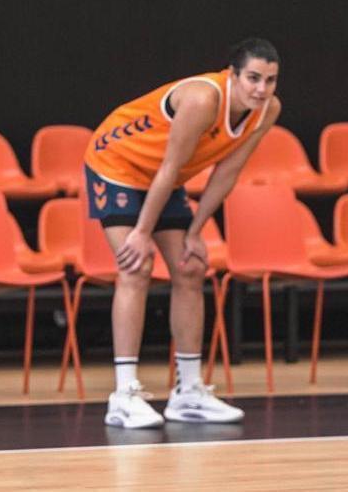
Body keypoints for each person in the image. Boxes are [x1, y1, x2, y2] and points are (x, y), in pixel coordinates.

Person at [83, 38, 281, 428]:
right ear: (233, 75)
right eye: (253, 78)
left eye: (270, 80)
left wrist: (195, 231)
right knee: (136, 267)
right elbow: (170, 168)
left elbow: (227, 172)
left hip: (161, 177)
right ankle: (123, 395)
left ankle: (188, 393)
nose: (261, 89)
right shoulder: (203, 99)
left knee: (190, 268)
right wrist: (141, 232)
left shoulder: (266, 110)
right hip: (117, 165)